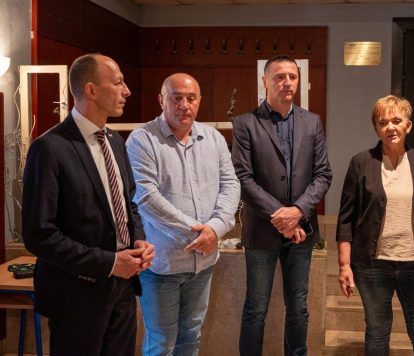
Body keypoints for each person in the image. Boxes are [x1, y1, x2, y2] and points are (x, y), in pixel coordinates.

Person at [22, 53, 155, 355]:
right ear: (91, 90)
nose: (127, 91)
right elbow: (39, 235)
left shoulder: (116, 142)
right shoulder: (49, 148)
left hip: (123, 289)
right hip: (76, 294)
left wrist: (138, 240)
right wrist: (109, 263)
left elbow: (129, 204)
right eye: (118, 83)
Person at [126, 73, 240, 355]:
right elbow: (146, 197)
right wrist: (198, 234)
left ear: (199, 101)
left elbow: (231, 184)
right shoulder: (142, 140)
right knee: (161, 343)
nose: (184, 105)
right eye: (176, 98)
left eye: (191, 98)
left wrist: (215, 228)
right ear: (161, 100)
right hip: (162, 264)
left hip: (203, 264)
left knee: (191, 338)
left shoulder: (213, 138)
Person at [232, 55, 332, 356]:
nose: (287, 82)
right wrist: (281, 216)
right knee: (256, 308)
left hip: (302, 231)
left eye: (292, 76)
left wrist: (298, 212)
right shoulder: (246, 123)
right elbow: (243, 177)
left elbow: (323, 174)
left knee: (298, 307)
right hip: (262, 231)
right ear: (265, 81)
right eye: (279, 76)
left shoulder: (312, 121)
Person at [337, 95, 414, 356]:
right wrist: (344, 265)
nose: (390, 127)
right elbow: (345, 219)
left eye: (396, 121)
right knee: (377, 332)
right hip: (372, 266)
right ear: (376, 129)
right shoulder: (361, 163)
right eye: (383, 122)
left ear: (408, 125)